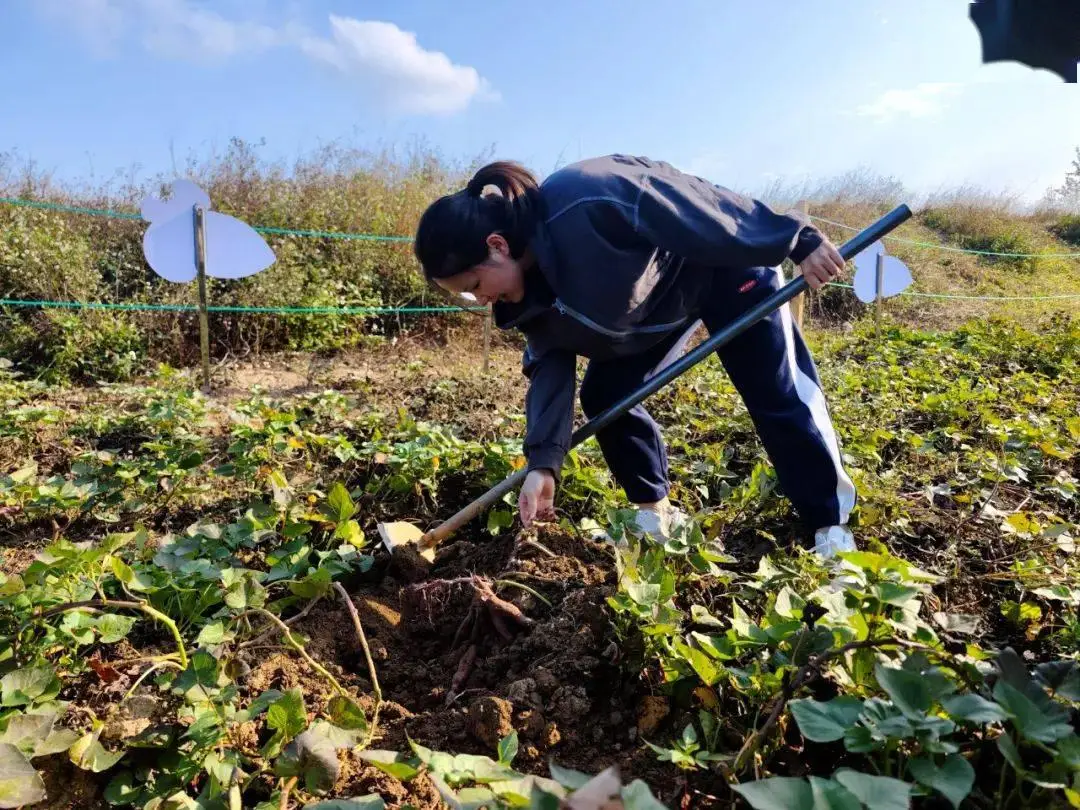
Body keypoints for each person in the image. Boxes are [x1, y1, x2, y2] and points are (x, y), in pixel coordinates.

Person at [413, 154, 856, 558]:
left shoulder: (587, 197)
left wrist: (794, 238)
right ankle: (655, 514)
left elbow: (694, 202)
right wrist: (543, 464)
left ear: (497, 245)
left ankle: (829, 526)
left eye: (472, 286)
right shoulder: (522, 299)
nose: (479, 300)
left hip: (724, 269)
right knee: (607, 396)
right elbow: (549, 368)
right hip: (656, 313)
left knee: (774, 390)